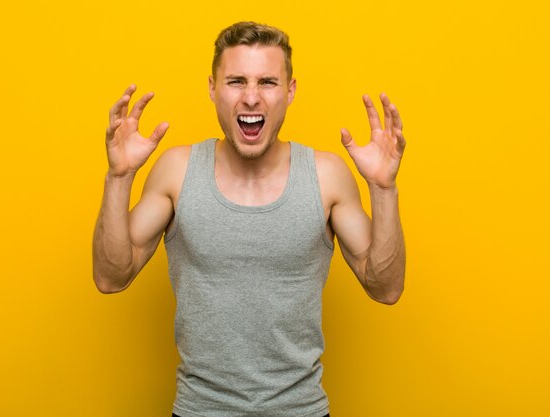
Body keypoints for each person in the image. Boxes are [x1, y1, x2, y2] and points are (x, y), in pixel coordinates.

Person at [93, 21, 406, 417]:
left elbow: (386, 287)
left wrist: (383, 189)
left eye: (268, 82)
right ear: (212, 88)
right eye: (236, 81)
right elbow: (110, 276)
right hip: (199, 410)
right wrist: (119, 177)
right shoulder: (178, 170)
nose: (252, 98)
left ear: (290, 91)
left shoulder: (326, 176)